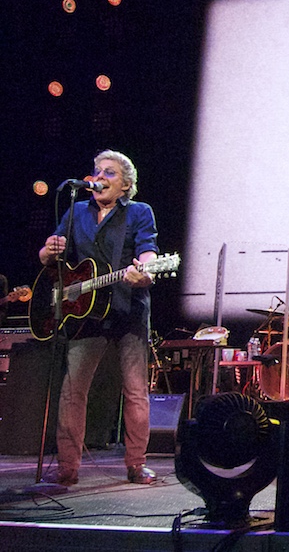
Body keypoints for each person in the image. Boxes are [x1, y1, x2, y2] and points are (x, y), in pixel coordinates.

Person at [39, 150, 158, 486]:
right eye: (97, 171)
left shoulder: (138, 212)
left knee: (135, 390)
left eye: (109, 173)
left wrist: (145, 270)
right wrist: (48, 251)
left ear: (126, 185)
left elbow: (148, 251)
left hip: (128, 309)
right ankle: (67, 467)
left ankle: (136, 464)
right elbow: (50, 256)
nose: (100, 177)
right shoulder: (76, 210)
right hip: (84, 313)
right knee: (72, 390)